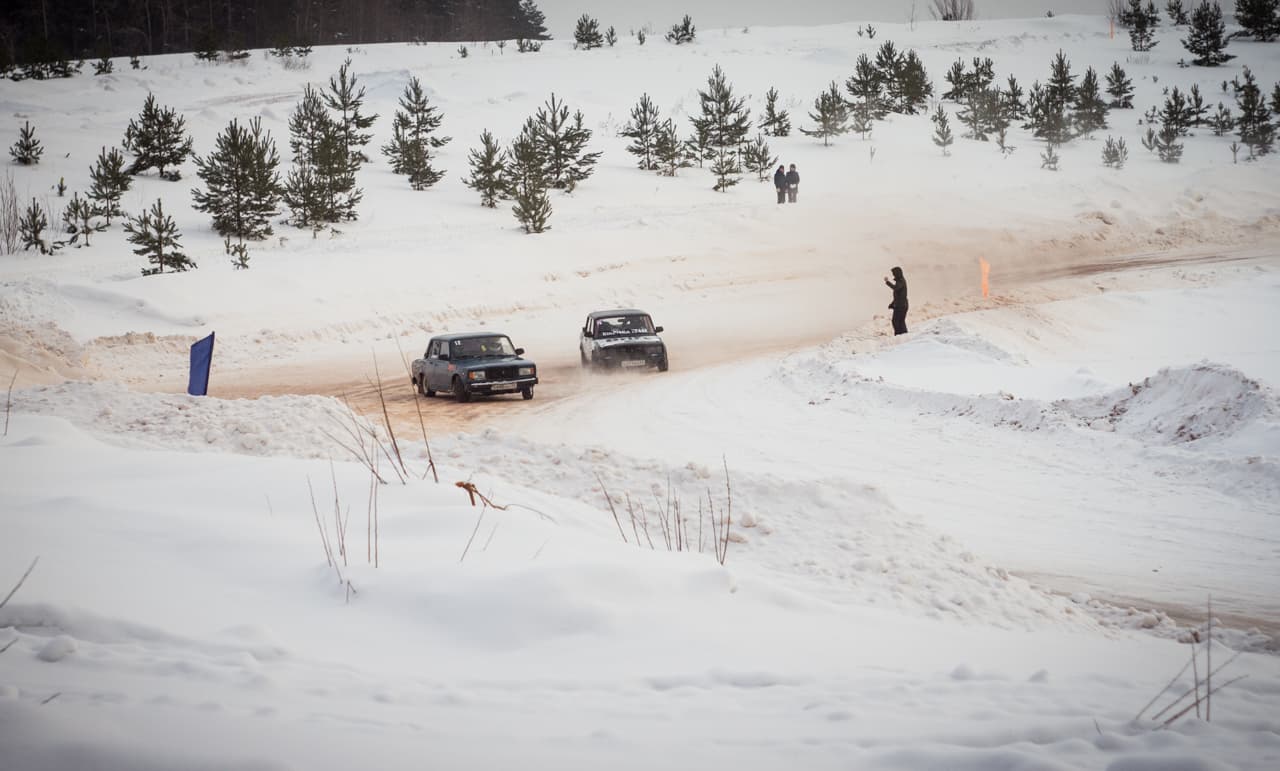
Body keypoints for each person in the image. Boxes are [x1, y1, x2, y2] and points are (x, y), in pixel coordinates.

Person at [884, 266, 908, 335]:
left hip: (901, 305)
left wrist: (887, 282)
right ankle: (902, 335)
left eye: (894, 273)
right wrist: (892, 304)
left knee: (896, 321)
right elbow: (898, 296)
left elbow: (896, 288)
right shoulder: (900, 281)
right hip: (901, 305)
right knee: (900, 321)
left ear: (897, 273)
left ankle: (899, 335)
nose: (893, 275)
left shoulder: (901, 281)